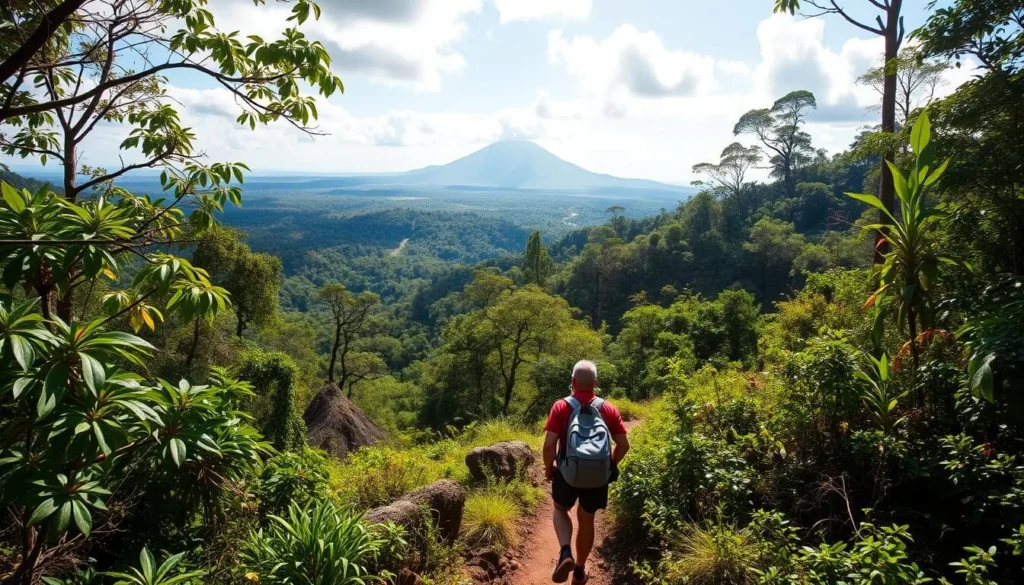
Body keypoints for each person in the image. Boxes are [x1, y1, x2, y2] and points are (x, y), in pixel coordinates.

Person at [542, 360, 630, 584]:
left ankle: (565, 553)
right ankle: (580, 571)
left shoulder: (561, 406)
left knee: (561, 509)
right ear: (595, 383)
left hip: (567, 473)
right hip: (597, 476)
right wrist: (610, 464)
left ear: (572, 382)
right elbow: (623, 445)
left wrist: (549, 467)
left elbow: (549, 445)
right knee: (587, 518)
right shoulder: (608, 408)